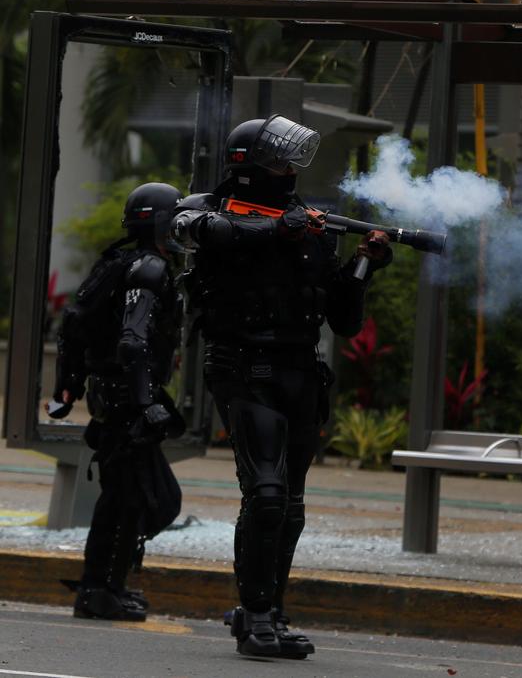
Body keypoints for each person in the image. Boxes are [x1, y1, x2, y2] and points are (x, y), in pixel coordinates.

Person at [171, 114, 392, 658]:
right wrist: (280, 230)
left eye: (292, 160)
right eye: (278, 160)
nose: (288, 170)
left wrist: (364, 265)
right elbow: (209, 232)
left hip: (300, 371)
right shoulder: (208, 210)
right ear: (248, 166)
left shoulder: (310, 226)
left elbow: (342, 319)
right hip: (244, 366)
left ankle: (263, 610)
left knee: (289, 505)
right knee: (266, 495)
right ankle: (260, 618)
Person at [51, 182, 186, 621]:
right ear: (165, 225)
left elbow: (73, 324)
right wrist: (147, 403)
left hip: (112, 398)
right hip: (127, 403)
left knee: (126, 498)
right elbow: (132, 343)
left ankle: (105, 587)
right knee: (152, 500)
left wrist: (67, 387)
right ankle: (100, 588)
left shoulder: (117, 263)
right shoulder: (148, 270)